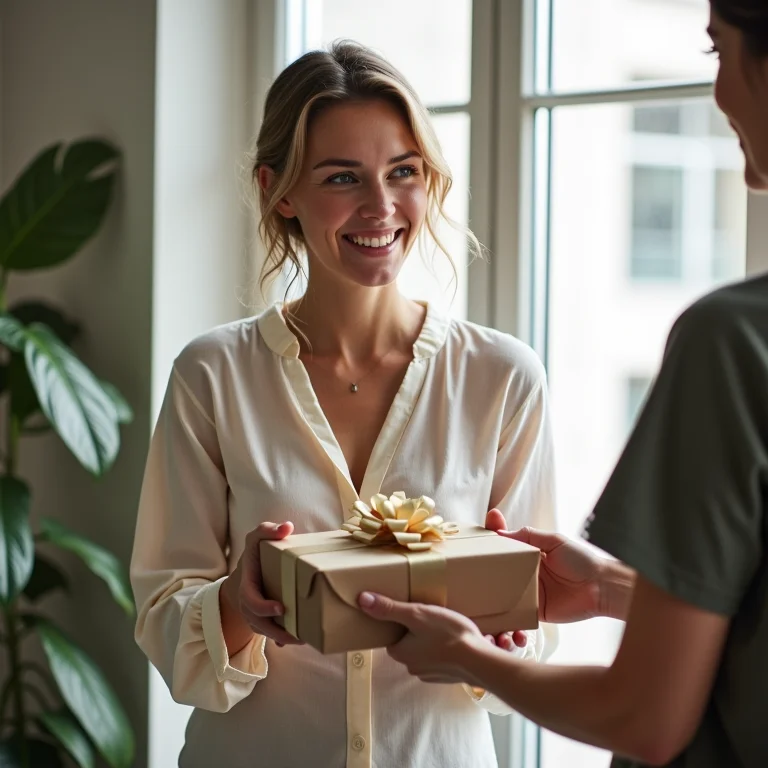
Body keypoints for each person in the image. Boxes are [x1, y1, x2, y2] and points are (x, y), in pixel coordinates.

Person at [357, 2, 768, 766]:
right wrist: (615, 589)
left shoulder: (735, 341)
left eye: (718, 52)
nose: (718, 93)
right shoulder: (213, 372)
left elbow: (645, 719)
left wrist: (471, 657)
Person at [130, 40, 558, 768]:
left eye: (404, 172)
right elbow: (165, 618)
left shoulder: (501, 376)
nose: (381, 207)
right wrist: (239, 600)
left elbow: (539, 616)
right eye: (342, 177)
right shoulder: (212, 375)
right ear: (280, 190)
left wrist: (508, 626)